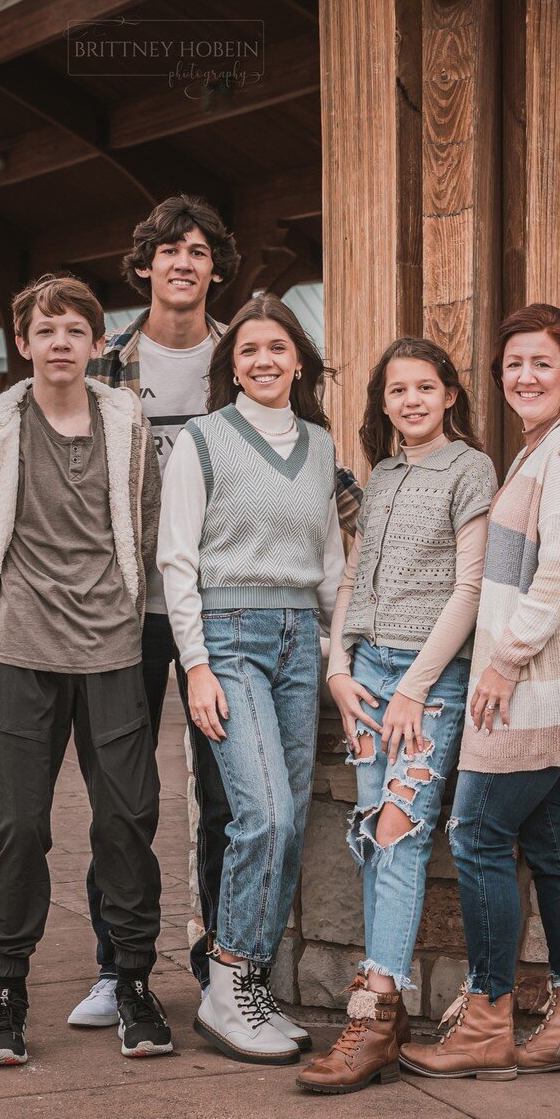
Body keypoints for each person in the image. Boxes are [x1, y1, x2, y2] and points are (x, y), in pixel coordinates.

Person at [72, 196, 360, 1033]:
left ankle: (218, 968)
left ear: (215, 267)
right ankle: (117, 966)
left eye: (198, 251)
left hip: (223, 609)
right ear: (145, 266)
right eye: (168, 251)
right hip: (128, 611)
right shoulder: (106, 369)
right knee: (122, 796)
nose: (183, 264)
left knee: (231, 799)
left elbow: (320, 492)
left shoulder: (244, 353)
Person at [0, 273, 170, 1066]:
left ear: (98, 343)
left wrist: (129, 612)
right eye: (46, 332)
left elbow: (145, 520)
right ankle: (9, 992)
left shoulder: (129, 421)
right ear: (23, 345)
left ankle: (133, 982)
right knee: (21, 827)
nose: (61, 344)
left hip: (111, 649)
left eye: (76, 331)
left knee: (126, 820)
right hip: (24, 653)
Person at [400, 305, 560, 1081]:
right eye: (512, 365)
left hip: (539, 683)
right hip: (559, 683)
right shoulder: (544, 448)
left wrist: (502, 662)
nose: (524, 377)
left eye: (541, 363)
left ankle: (488, 1022)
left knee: (476, 835)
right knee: (555, 845)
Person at [298, 339, 496, 1095]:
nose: (410, 401)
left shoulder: (471, 468)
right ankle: (386, 1014)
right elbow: (353, 576)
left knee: (399, 834)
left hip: (429, 679)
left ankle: (377, 1008)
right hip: (368, 674)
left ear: (449, 393)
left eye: (424, 387)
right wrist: (340, 669)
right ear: (382, 404)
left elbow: (470, 589)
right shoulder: (379, 477)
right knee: (375, 833)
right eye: (396, 391)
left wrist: (414, 687)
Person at [159, 293, 344, 1064]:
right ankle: (227, 982)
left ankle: (251, 985)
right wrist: (196, 666)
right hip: (229, 640)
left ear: (298, 359)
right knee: (260, 813)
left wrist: (343, 658)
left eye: (276, 348)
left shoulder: (321, 445)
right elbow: (176, 560)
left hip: (303, 639)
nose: (263, 361)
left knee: (291, 819)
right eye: (247, 351)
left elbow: (333, 564)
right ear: (229, 367)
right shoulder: (202, 441)